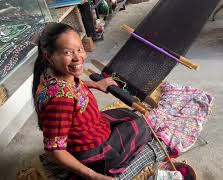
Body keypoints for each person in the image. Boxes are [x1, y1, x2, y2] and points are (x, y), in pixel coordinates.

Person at [32, 22, 151, 179]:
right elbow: (54, 150)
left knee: (128, 114)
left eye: (80, 49)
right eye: (68, 52)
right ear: (49, 56)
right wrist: (93, 175)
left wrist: (94, 84)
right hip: (91, 151)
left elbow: (71, 87)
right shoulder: (60, 101)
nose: (77, 58)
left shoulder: (50, 73)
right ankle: (106, 166)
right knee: (143, 125)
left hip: (87, 127)